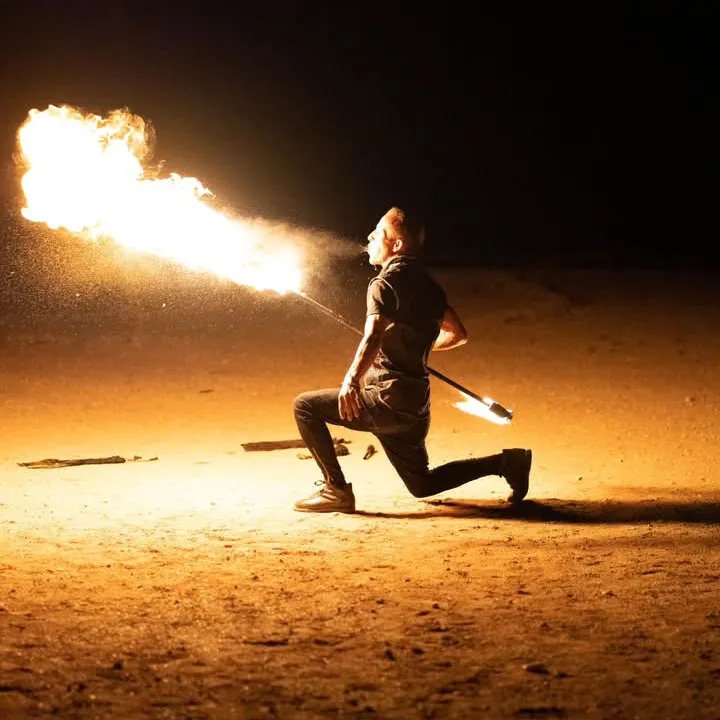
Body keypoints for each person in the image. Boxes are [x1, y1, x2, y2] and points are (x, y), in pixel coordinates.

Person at [293, 207, 532, 513]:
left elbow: (372, 337)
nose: (369, 237)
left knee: (305, 406)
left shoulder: (383, 284)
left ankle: (335, 489)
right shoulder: (429, 286)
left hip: (385, 403)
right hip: (414, 408)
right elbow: (458, 334)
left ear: (397, 245)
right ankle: (508, 462)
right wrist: (414, 349)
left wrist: (351, 380)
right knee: (422, 485)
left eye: (379, 232)